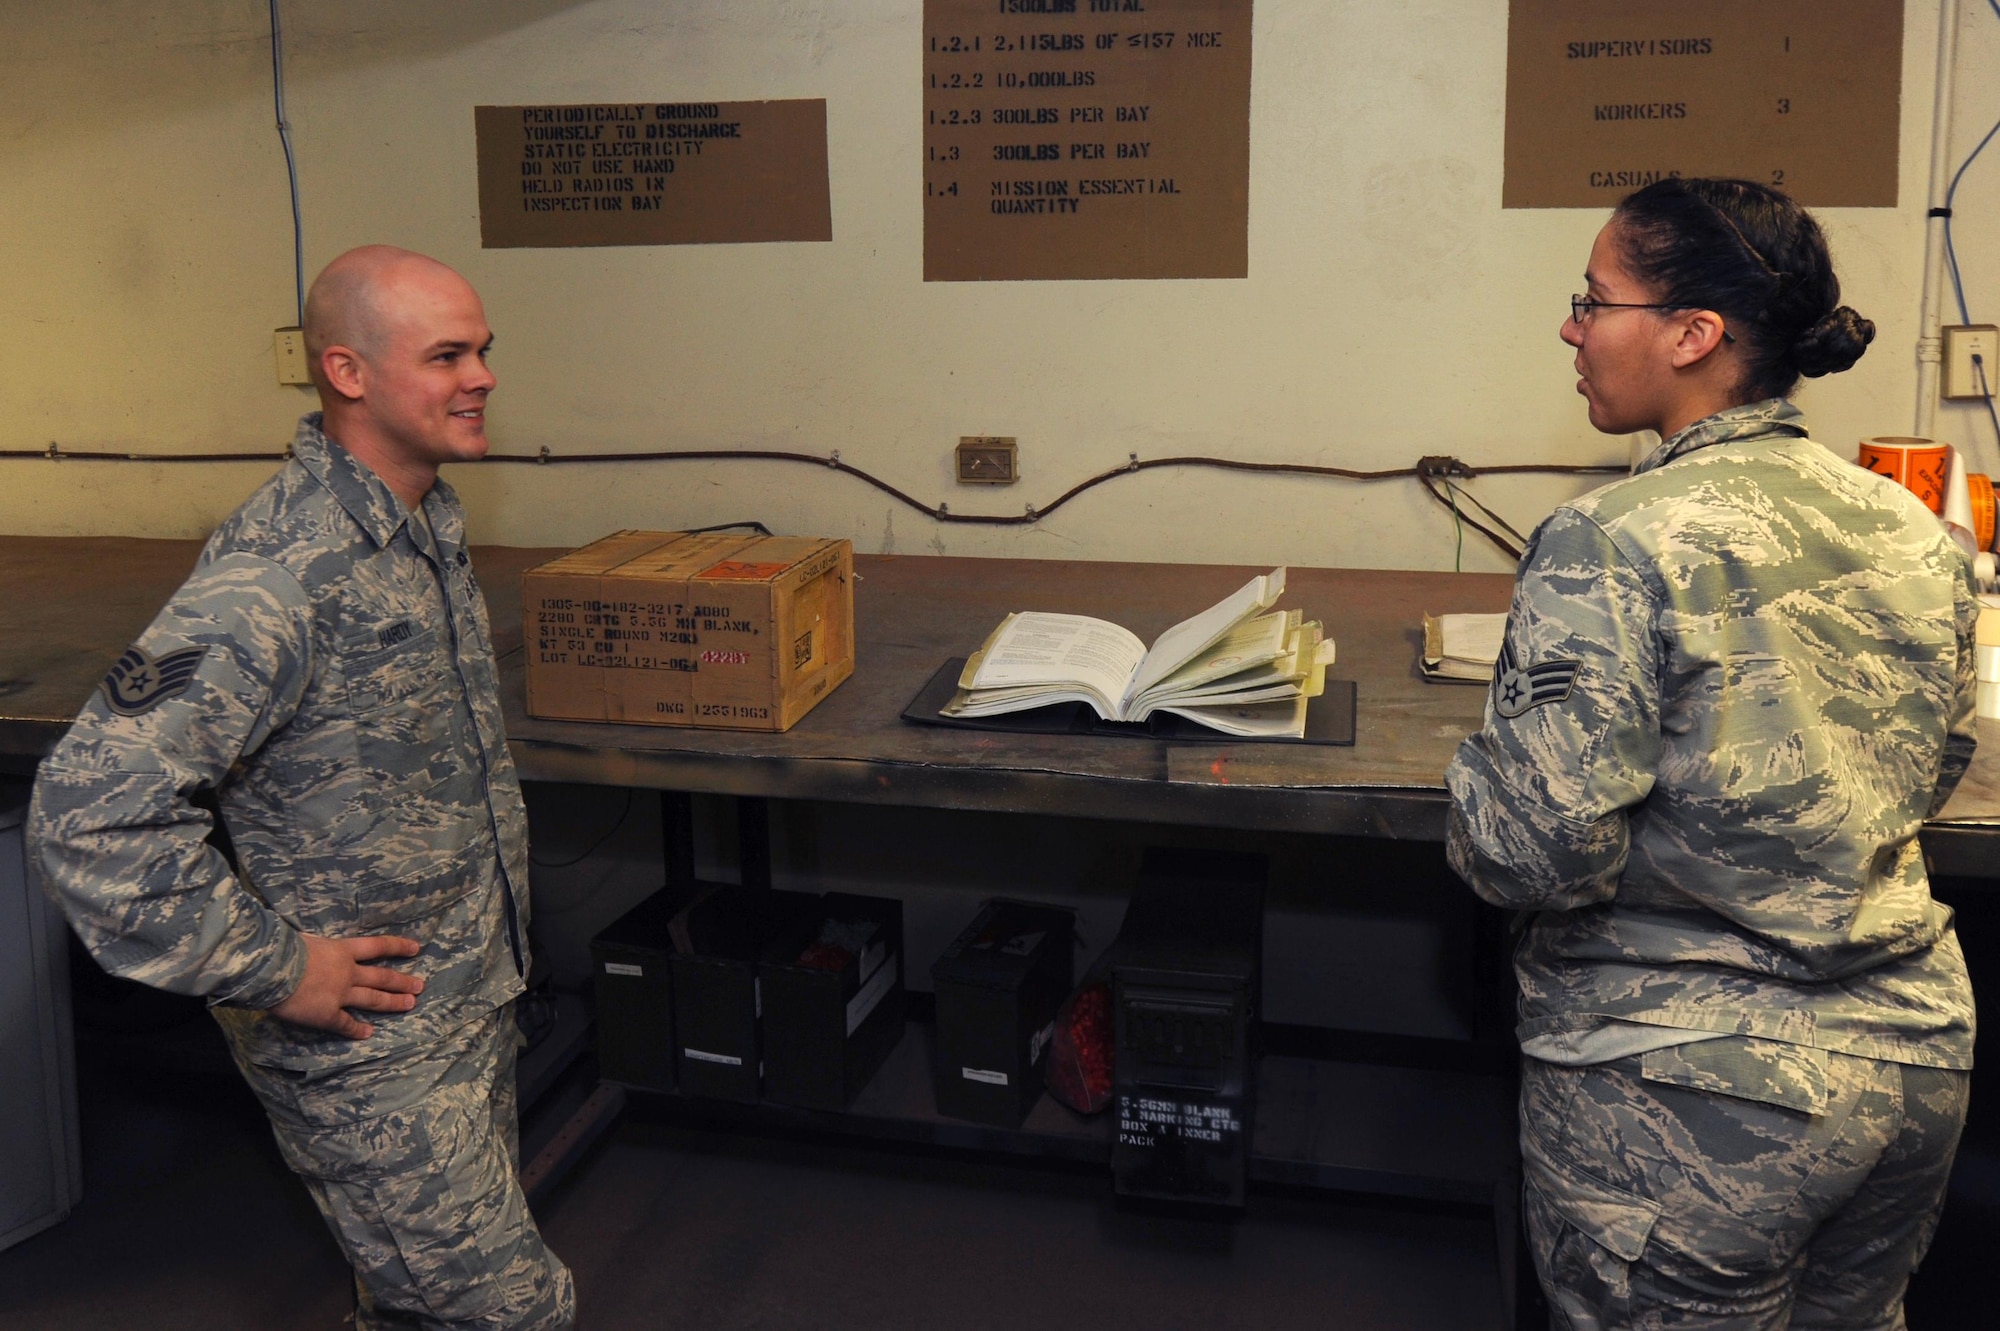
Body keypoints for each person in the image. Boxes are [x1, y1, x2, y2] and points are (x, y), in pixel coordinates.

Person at [1446, 178, 1978, 1329]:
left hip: (1688, 1085)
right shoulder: (1912, 526)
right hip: (1905, 1063)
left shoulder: (1608, 536)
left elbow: (1535, 853)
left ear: (1692, 335)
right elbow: (1926, 769)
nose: (1568, 326)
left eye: (1592, 300)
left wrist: (1479, 768)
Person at [31, 245, 576, 1330]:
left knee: (414, 1304)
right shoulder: (277, 574)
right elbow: (89, 812)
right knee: (511, 1311)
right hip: (364, 1042)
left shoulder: (420, 520)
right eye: (447, 354)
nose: (482, 376)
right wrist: (275, 965)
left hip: (460, 993)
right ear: (348, 370)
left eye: (483, 350)